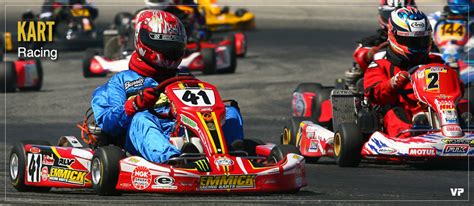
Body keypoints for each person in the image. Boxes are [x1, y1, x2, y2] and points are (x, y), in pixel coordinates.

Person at [91, 10, 244, 163]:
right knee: (141, 118)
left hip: (184, 131)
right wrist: (135, 105)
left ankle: (231, 155)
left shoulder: (185, 78)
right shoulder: (121, 81)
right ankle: (172, 160)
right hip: (141, 140)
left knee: (230, 112)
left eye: (173, 46)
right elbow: (107, 124)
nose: (168, 50)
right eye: (163, 44)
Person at [363, 7, 445, 137]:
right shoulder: (380, 65)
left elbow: (457, 91)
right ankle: (405, 137)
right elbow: (374, 95)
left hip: (438, 111)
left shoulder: (437, 62)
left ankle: (464, 130)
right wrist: (393, 83)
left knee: (464, 104)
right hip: (403, 113)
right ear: (394, 37)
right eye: (411, 41)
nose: (417, 45)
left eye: (421, 40)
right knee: (392, 109)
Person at [352, 0, 416, 72]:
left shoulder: (420, 38)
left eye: (403, 15)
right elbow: (360, 57)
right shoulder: (373, 41)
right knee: (358, 79)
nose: (397, 20)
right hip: (382, 75)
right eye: (391, 15)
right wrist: (370, 55)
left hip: (414, 73)